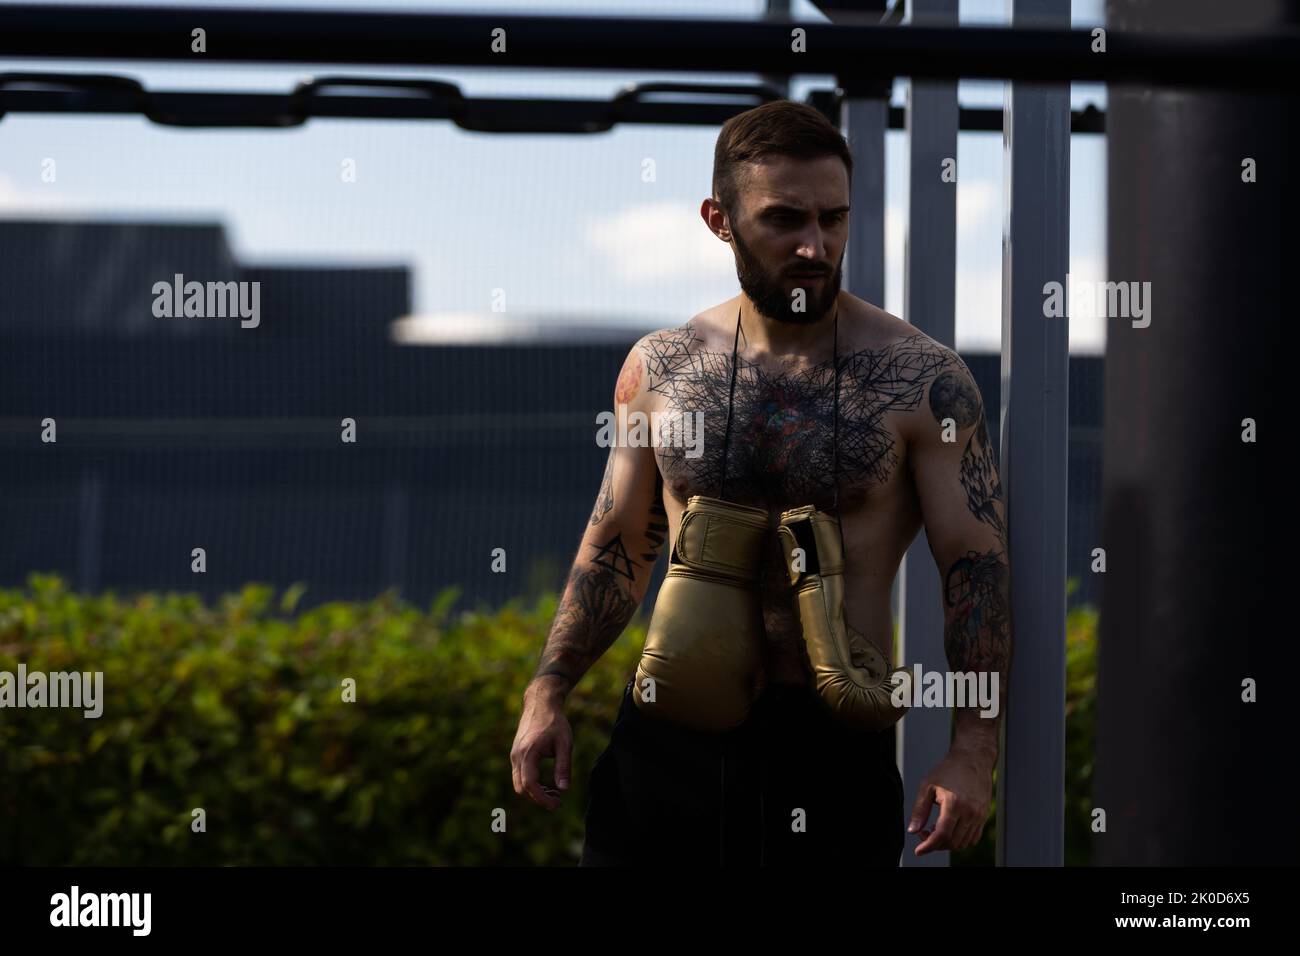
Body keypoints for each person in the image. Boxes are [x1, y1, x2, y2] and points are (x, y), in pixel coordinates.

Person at [509, 99, 1011, 866]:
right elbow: (617, 541)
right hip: (670, 733)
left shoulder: (922, 380)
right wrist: (547, 691)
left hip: (833, 745)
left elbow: (977, 571)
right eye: (785, 220)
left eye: (834, 219)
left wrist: (973, 752)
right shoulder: (662, 369)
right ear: (720, 219)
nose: (815, 245)